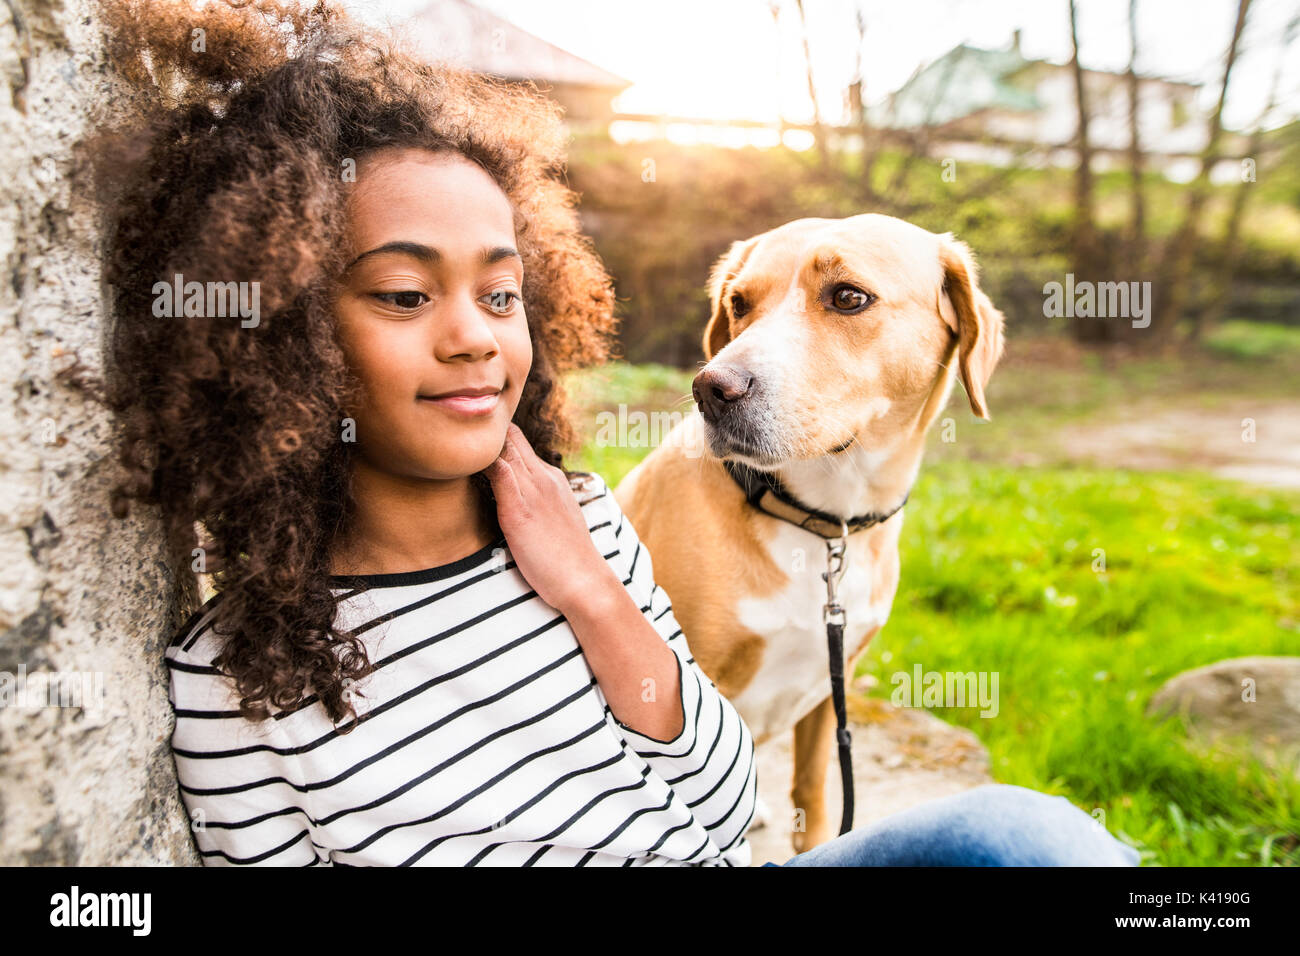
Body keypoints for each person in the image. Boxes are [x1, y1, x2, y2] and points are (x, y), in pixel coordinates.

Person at [100, 0, 1138, 868]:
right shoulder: (222, 680)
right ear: (286, 330)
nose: (471, 335)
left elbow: (725, 794)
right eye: (407, 293)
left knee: (1030, 834)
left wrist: (593, 591)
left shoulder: (585, 523)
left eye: (503, 294)